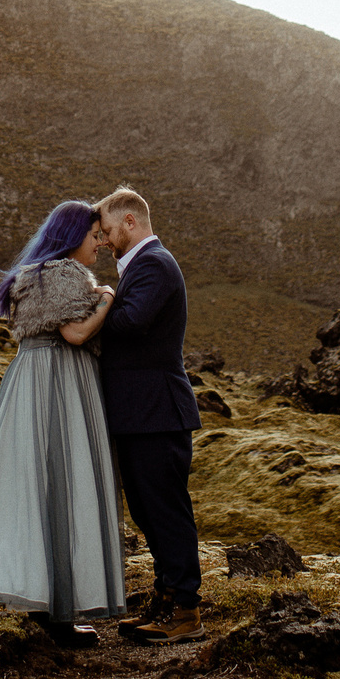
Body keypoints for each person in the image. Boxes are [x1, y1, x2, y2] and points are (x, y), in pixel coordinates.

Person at [0, 199, 125, 646]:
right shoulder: (61, 274)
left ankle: (42, 598)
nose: (100, 244)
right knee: (62, 483)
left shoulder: (38, 275)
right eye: (93, 237)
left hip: (34, 380)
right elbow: (75, 333)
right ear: (72, 237)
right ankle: (58, 613)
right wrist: (107, 295)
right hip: (57, 381)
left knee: (37, 484)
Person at [93, 185, 205, 644]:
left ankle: (185, 611)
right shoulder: (142, 266)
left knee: (165, 510)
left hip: (158, 411)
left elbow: (131, 322)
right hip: (143, 413)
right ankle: (168, 597)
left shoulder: (155, 264)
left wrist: (97, 304)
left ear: (130, 222)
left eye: (106, 231)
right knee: (148, 509)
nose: (101, 240)